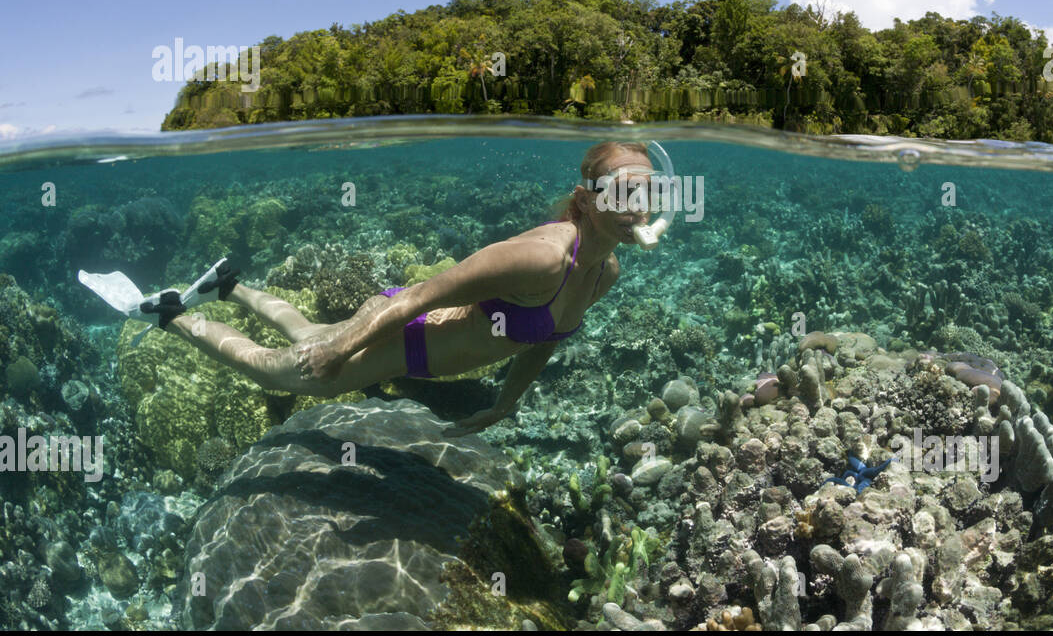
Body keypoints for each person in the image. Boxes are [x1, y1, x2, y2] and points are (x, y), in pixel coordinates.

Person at [79, 141, 663, 436]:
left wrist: (505, 404)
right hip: (401, 336)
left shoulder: (603, 273)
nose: (634, 206)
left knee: (308, 333)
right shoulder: (541, 259)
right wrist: (340, 352)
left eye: (646, 193)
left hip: (412, 352)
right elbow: (418, 296)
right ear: (587, 198)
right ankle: (164, 313)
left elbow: (544, 341)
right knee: (275, 370)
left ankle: (230, 286)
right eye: (620, 190)